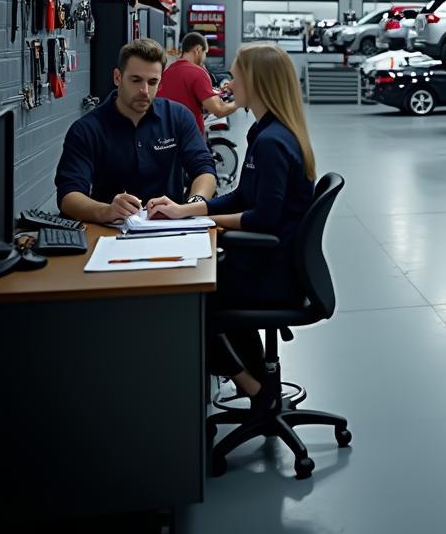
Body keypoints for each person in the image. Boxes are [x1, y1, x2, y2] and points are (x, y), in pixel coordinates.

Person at [148, 43, 316, 406]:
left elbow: (264, 218)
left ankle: (255, 390)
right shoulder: (264, 132)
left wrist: (204, 220)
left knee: (191, 302)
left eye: (236, 76)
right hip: (272, 262)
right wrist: (185, 210)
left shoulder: (273, 142)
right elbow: (242, 197)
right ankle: (259, 386)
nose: (228, 82)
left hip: (276, 271)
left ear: (256, 81)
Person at [56, 39, 217, 224]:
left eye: (153, 82)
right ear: (118, 77)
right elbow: (68, 195)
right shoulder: (87, 130)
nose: (144, 91)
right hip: (109, 233)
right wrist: (105, 211)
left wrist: (190, 207)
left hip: (170, 230)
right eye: (136, 80)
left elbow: (204, 170)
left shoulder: (179, 117)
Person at [158, 31, 240, 135]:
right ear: (198, 49)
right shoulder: (198, 72)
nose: (205, 57)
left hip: (166, 135)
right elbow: (219, 110)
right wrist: (240, 102)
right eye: (205, 53)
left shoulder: (167, 71)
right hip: (189, 138)